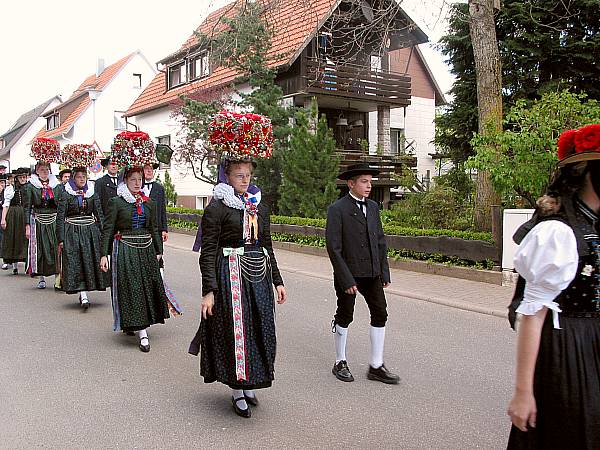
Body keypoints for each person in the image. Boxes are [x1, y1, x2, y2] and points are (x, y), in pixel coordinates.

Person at [507, 124, 600, 449]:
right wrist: (523, 391)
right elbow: (533, 314)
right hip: (569, 348)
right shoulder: (558, 233)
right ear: (588, 172)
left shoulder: (595, 226)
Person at [190, 157, 286, 419]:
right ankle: (236, 389)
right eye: (238, 176)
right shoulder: (218, 208)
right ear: (227, 178)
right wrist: (208, 290)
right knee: (236, 331)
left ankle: (251, 380)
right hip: (229, 275)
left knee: (258, 328)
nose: (245, 180)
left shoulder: (258, 207)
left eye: (248, 175)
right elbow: (208, 252)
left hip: (259, 277)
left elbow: (266, 245)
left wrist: (277, 280)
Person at [326, 163, 399, 385]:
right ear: (351, 183)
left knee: (380, 313)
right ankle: (340, 361)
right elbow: (334, 248)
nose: (369, 186)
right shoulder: (337, 209)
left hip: (371, 273)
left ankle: (376, 365)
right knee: (345, 314)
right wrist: (346, 279)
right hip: (349, 273)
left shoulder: (374, 207)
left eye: (370, 181)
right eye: (364, 181)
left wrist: (383, 271)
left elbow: (380, 241)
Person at [100, 166, 170, 352]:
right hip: (125, 250)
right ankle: (142, 332)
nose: (138, 183)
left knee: (145, 286)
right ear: (125, 182)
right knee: (132, 287)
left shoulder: (149, 203)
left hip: (146, 251)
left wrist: (158, 250)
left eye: (140, 180)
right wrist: (104, 254)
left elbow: (154, 228)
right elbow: (108, 229)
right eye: (133, 180)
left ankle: (137, 323)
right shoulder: (117, 202)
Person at [56, 167, 109, 309]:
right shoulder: (66, 193)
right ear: (73, 178)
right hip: (72, 232)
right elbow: (60, 217)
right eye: (78, 176)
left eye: (84, 176)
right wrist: (60, 239)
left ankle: (85, 291)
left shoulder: (91, 193)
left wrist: (104, 234)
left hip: (90, 232)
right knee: (76, 262)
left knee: (89, 261)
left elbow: (99, 214)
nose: (81, 179)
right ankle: (82, 293)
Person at [25, 161, 59, 289]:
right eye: (42, 170)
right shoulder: (31, 186)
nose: (45, 172)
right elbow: (27, 206)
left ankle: (58, 278)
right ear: (37, 171)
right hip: (38, 219)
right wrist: (27, 225)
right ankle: (41, 278)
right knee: (40, 249)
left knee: (55, 248)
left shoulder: (56, 185)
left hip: (53, 218)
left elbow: (60, 204)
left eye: (47, 169)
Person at [1, 168, 29, 274]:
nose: (23, 179)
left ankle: (28, 265)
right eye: (21, 177)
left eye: (24, 177)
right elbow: (6, 205)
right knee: (14, 238)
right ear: (16, 178)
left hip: (25, 214)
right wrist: (3, 219)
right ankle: (15, 266)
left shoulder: (29, 188)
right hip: (13, 216)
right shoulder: (10, 189)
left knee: (25, 239)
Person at [142, 163, 168, 275]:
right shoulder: (137, 187)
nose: (149, 171)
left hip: (156, 228)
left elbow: (162, 209)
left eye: (151, 169)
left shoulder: (159, 188)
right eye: (146, 169)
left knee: (158, 253)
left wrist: (164, 229)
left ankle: (160, 277)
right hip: (143, 228)